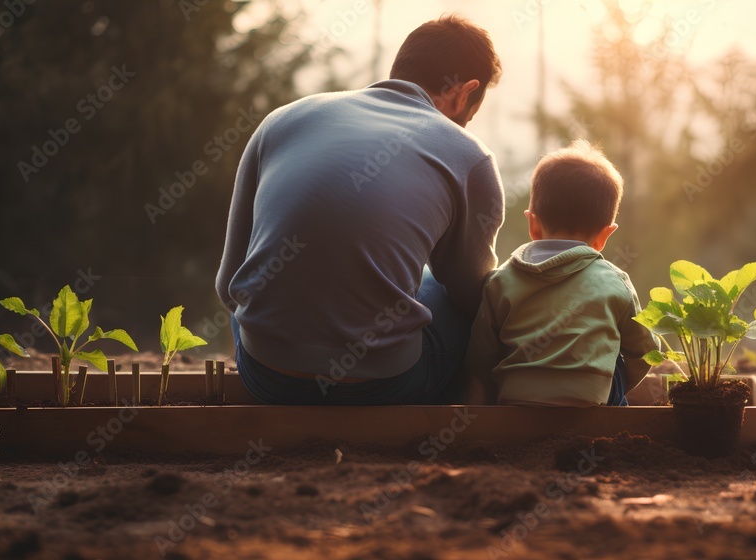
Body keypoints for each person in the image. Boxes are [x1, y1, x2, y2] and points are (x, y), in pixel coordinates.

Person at [215, 15, 504, 405]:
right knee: (439, 288)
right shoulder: (468, 155)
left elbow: (229, 285)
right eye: (472, 111)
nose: (466, 122)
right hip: (381, 385)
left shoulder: (281, 121)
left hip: (265, 375)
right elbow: (474, 298)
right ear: (464, 92)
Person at [462, 139, 658, 407]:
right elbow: (646, 352)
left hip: (516, 400)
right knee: (619, 362)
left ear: (533, 224)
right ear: (605, 235)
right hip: (589, 402)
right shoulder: (614, 281)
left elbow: (480, 358)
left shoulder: (500, 280)